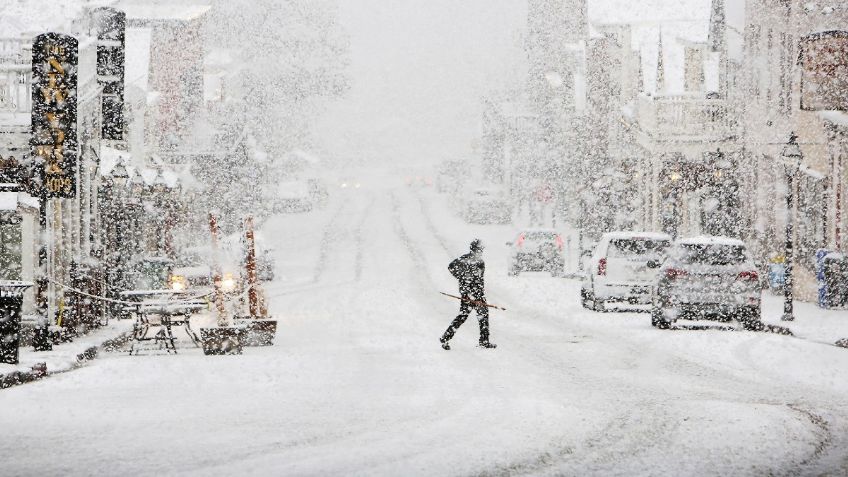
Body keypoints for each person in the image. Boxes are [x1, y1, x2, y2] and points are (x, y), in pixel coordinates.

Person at [440, 239, 496, 350]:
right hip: (469, 294)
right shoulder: (464, 260)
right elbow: (451, 267)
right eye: (479, 250)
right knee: (466, 316)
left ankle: (446, 337)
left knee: (477, 316)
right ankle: (446, 338)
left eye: (481, 250)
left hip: (477, 293)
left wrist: (479, 293)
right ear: (474, 249)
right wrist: (462, 277)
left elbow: (480, 279)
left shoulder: (480, 262)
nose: (481, 252)